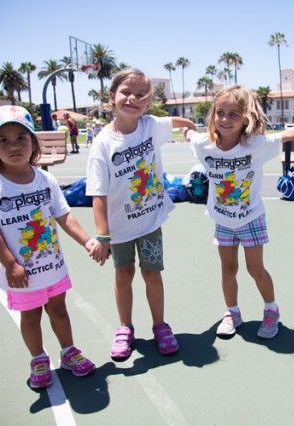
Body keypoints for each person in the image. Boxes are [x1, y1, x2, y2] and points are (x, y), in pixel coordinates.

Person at [0, 105, 99, 389]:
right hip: (22, 273)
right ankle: (38, 358)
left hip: (52, 267)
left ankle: (69, 352)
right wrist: (11, 265)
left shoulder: (45, 179)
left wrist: (87, 240)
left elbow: (64, 215)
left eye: (21, 138)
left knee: (60, 311)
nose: (14, 146)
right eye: (4, 140)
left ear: (33, 143)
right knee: (30, 317)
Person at [184, 85, 294, 339]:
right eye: (220, 112)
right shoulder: (203, 144)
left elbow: (293, 133)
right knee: (228, 269)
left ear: (246, 118)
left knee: (256, 269)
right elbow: (188, 132)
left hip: (251, 217)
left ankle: (271, 309)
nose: (225, 119)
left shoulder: (257, 145)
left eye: (233, 114)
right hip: (222, 219)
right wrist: (184, 125)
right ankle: (232, 312)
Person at [86, 68, 196, 359]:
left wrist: (192, 131)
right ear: (112, 97)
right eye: (126, 92)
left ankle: (160, 326)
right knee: (123, 274)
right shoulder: (102, 144)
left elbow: (181, 122)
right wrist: (103, 235)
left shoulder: (152, 126)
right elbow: (98, 194)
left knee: (152, 274)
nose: (132, 99)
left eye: (140, 95)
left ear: (147, 104)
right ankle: (125, 328)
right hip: (119, 228)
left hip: (149, 222)